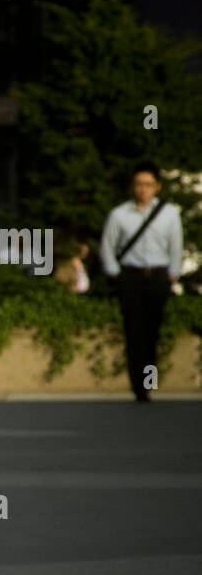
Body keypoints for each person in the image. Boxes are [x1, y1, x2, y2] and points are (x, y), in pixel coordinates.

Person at [99, 161, 183, 402]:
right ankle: (139, 386)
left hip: (158, 275)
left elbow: (176, 246)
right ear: (132, 186)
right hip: (131, 276)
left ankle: (148, 379)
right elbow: (107, 247)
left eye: (148, 184)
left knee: (152, 331)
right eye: (138, 184)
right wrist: (116, 272)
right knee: (134, 331)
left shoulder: (169, 214)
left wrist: (172, 274)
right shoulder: (119, 215)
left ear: (157, 187)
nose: (142, 189)